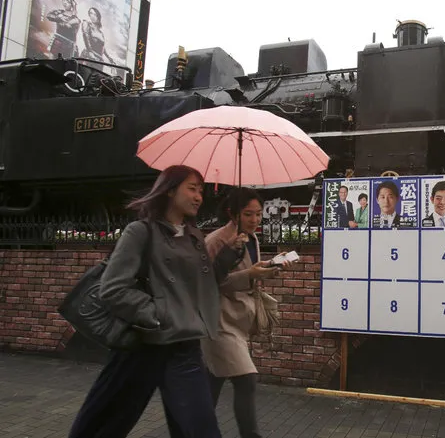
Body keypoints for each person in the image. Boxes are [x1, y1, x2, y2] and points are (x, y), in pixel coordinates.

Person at [67, 165, 244, 438]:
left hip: (184, 347)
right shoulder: (140, 232)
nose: (199, 196)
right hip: (143, 345)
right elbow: (113, 288)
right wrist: (158, 315)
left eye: (201, 190)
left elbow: (202, 285)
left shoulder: (194, 236)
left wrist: (229, 255)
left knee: (200, 428)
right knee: (104, 424)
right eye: (192, 188)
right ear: (170, 190)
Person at [201, 187, 292, 438]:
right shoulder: (217, 240)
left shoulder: (252, 238)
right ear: (233, 213)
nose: (254, 220)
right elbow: (208, 282)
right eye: (248, 214)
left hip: (239, 320)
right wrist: (249, 274)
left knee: (212, 382)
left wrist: (270, 268)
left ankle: (193, 428)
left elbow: (250, 276)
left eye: (258, 214)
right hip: (219, 321)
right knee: (246, 379)